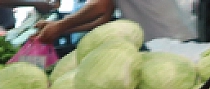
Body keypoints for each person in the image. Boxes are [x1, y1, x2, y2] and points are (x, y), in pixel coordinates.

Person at [32, 0, 191, 47]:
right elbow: (102, 20)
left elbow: (99, 6)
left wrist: (59, 26)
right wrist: (59, 30)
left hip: (172, 40)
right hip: (167, 39)